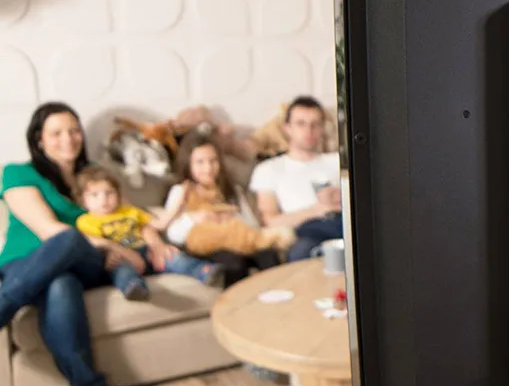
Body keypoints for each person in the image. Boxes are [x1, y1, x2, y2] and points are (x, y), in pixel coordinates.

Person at [0, 102, 146, 386]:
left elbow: (129, 218)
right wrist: (107, 243)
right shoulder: (17, 173)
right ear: (39, 140)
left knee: (71, 243)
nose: (68, 139)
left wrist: (147, 243)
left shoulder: (95, 176)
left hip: (86, 264)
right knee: (60, 280)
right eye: (57, 133)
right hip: (24, 265)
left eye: (74, 130)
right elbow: (47, 230)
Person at [75, 165, 222, 300]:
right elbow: (96, 243)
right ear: (83, 200)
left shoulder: (130, 211)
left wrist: (178, 205)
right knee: (121, 270)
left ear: (118, 194)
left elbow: (159, 224)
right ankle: (134, 287)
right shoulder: (85, 221)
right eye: (95, 195)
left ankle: (204, 271)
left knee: (173, 257)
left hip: (147, 250)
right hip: (120, 256)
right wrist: (111, 253)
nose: (103, 199)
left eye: (109, 193)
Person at [162, 133, 283, 288]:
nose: (208, 168)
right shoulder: (180, 191)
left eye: (213, 161)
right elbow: (173, 234)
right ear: (189, 164)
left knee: (269, 255)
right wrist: (194, 219)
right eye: (200, 162)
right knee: (234, 263)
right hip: (206, 246)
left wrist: (232, 218)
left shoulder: (231, 190)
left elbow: (252, 225)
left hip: (237, 240)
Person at [250, 95, 343, 262]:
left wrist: (340, 198)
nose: (309, 130)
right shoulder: (269, 169)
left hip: (345, 222)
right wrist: (316, 210)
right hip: (306, 231)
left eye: (315, 124)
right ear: (287, 128)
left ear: (322, 128)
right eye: (301, 124)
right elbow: (270, 221)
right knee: (301, 252)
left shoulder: (338, 161)